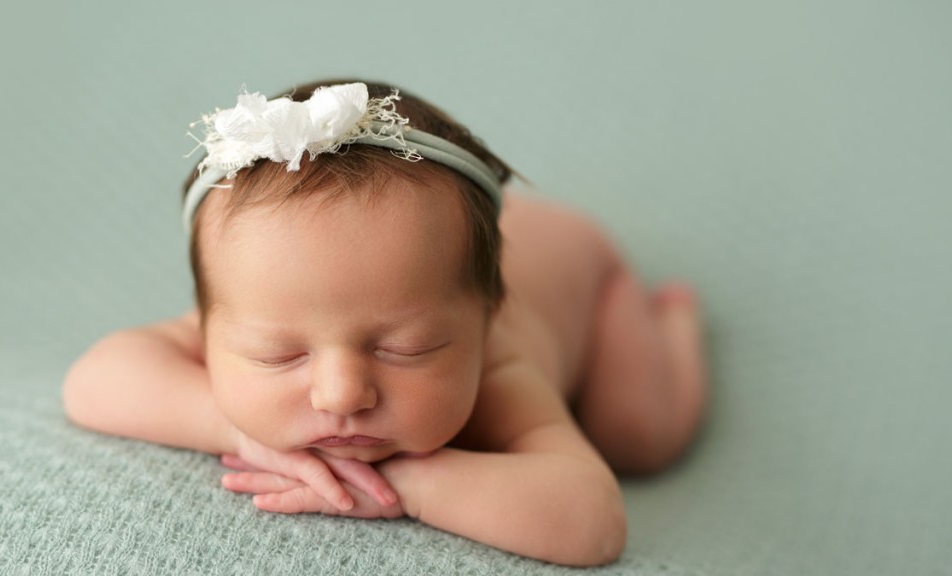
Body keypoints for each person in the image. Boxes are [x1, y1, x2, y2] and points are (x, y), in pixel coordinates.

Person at [63, 79, 707, 567]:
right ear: (207, 327)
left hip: (582, 266)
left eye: (407, 348)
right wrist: (233, 426)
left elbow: (590, 521)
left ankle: (675, 321)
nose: (342, 395)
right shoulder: (270, 295)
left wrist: (405, 484)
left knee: (637, 437)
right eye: (278, 356)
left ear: (487, 320)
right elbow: (93, 381)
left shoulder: (501, 370)